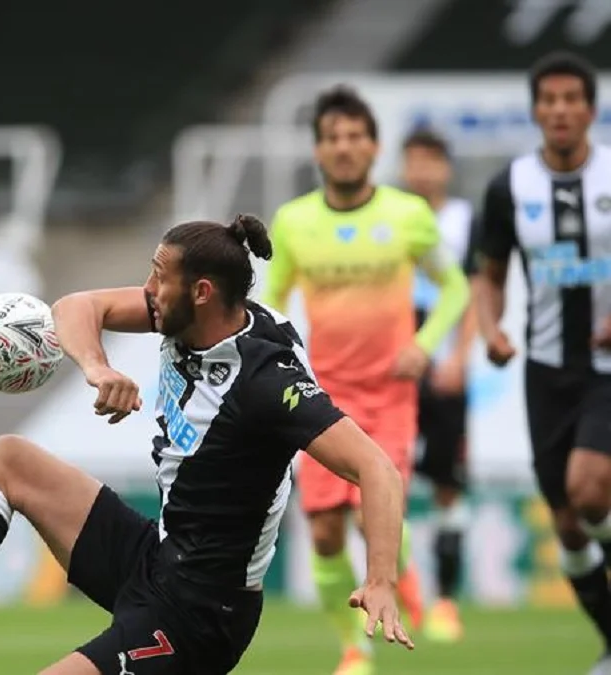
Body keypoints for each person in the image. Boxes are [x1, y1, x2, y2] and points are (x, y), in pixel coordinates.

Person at [0, 217, 415, 675]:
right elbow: (78, 307)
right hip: (155, 555)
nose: (147, 288)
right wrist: (97, 368)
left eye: (159, 276)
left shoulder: (265, 380)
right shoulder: (188, 313)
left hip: (203, 613)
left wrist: (381, 580)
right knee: (6, 458)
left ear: (202, 291)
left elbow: (376, 468)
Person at [260, 86, 470, 675]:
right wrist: (277, 362)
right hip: (322, 396)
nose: (345, 147)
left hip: (389, 394)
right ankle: (354, 644)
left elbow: (455, 287)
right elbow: (273, 303)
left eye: (355, 136)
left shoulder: (407, 215)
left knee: (368, 514)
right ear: (318, 150)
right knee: (326, 533)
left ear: (374, 147)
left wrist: (425, 344)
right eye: (333, 138)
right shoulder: (294, 221)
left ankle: (393, 582)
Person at [472, 50, 611, 675]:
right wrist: (491, 329)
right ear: (535, 110)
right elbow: (489, 272)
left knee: (589, 489)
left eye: (570, 99)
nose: (559, 110)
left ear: (590, 109)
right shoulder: (510, 187)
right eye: (548, 100)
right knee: (569, 526)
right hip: (546, 371)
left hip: (606, 367)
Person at [399, 127, 479, 643]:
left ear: (446, 168)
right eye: (414, 161)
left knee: (449, 483)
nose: (422, 171)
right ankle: (398, 589)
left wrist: (460, 358)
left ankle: (447, 600)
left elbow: (473, 292)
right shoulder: (390, 217)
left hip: (444, 368)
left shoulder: (464, 220)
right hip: (397, 367)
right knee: (389, 477)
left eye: (431, 160)